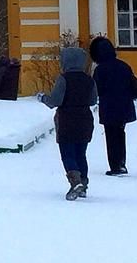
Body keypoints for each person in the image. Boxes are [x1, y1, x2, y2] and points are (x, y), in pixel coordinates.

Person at [41, 43, 96, 200]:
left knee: (68, 153)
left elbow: (55, 101)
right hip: (85, 119)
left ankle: (75, 182)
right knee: (81, 154)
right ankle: (83, 184)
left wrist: (43, 98)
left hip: (67, 120)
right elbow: (93, 100)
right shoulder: (89, 80)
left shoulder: (63, 79)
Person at [89, 35, 137, 176]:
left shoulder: (100, 70)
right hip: (124, 106)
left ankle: (115, 165)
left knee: (111, 136)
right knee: (120, 133)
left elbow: (97, 90)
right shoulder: (123, 65)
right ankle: (121, 163)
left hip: (109, 107)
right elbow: (132, 85)